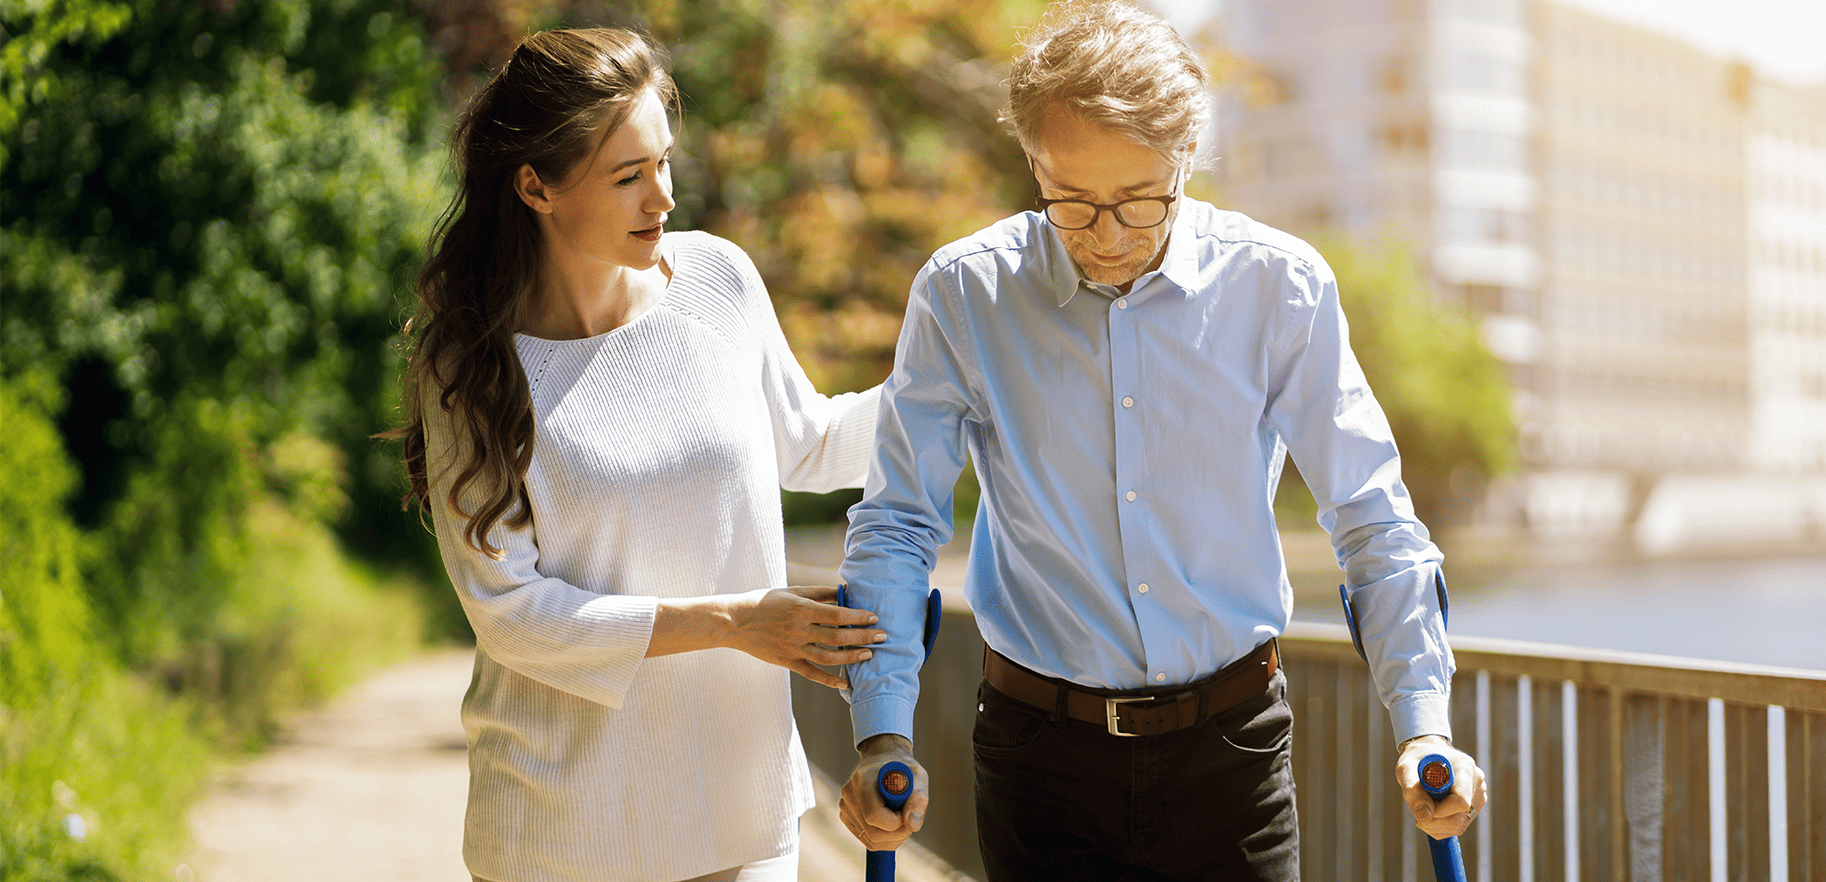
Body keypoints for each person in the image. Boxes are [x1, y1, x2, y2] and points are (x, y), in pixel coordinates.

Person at [833, 1, 1488, 879]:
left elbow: (1372, 518)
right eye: (1072, 202)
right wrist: (882, 731)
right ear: (1034, 162)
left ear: (1186, 161)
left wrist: (1423, 725)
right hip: (1039, 760)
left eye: (1140, 202)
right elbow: (900, 523)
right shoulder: (965, 295)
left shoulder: (1278, 287)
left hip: (1233, 753)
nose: (1107, 238)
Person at [390, 28, 887, 882]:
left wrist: (964, 382)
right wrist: (734, 621)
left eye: (663, 162)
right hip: (559, 833)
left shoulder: (718, 280)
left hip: (742, 809)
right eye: (627, 176)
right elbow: (510, 611)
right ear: (535, 185)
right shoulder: (471, 363)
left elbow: (810, 443)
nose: (660, 197)